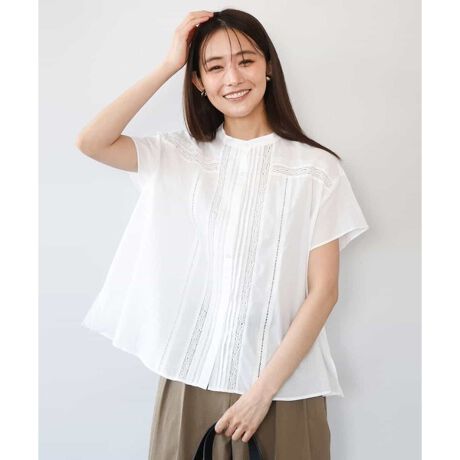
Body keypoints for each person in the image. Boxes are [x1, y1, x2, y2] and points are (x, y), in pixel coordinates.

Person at [77, 8, 370, 460]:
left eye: (245, 60)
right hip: (191, 380)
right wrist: (171, 62)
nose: (233, 77)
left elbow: (324, 291)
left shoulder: (316, 170)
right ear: (198, 81)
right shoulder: (181, 156)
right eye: (214, 67)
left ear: (268, 66)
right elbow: (92, 141)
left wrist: (261, 393)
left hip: (286, 388)